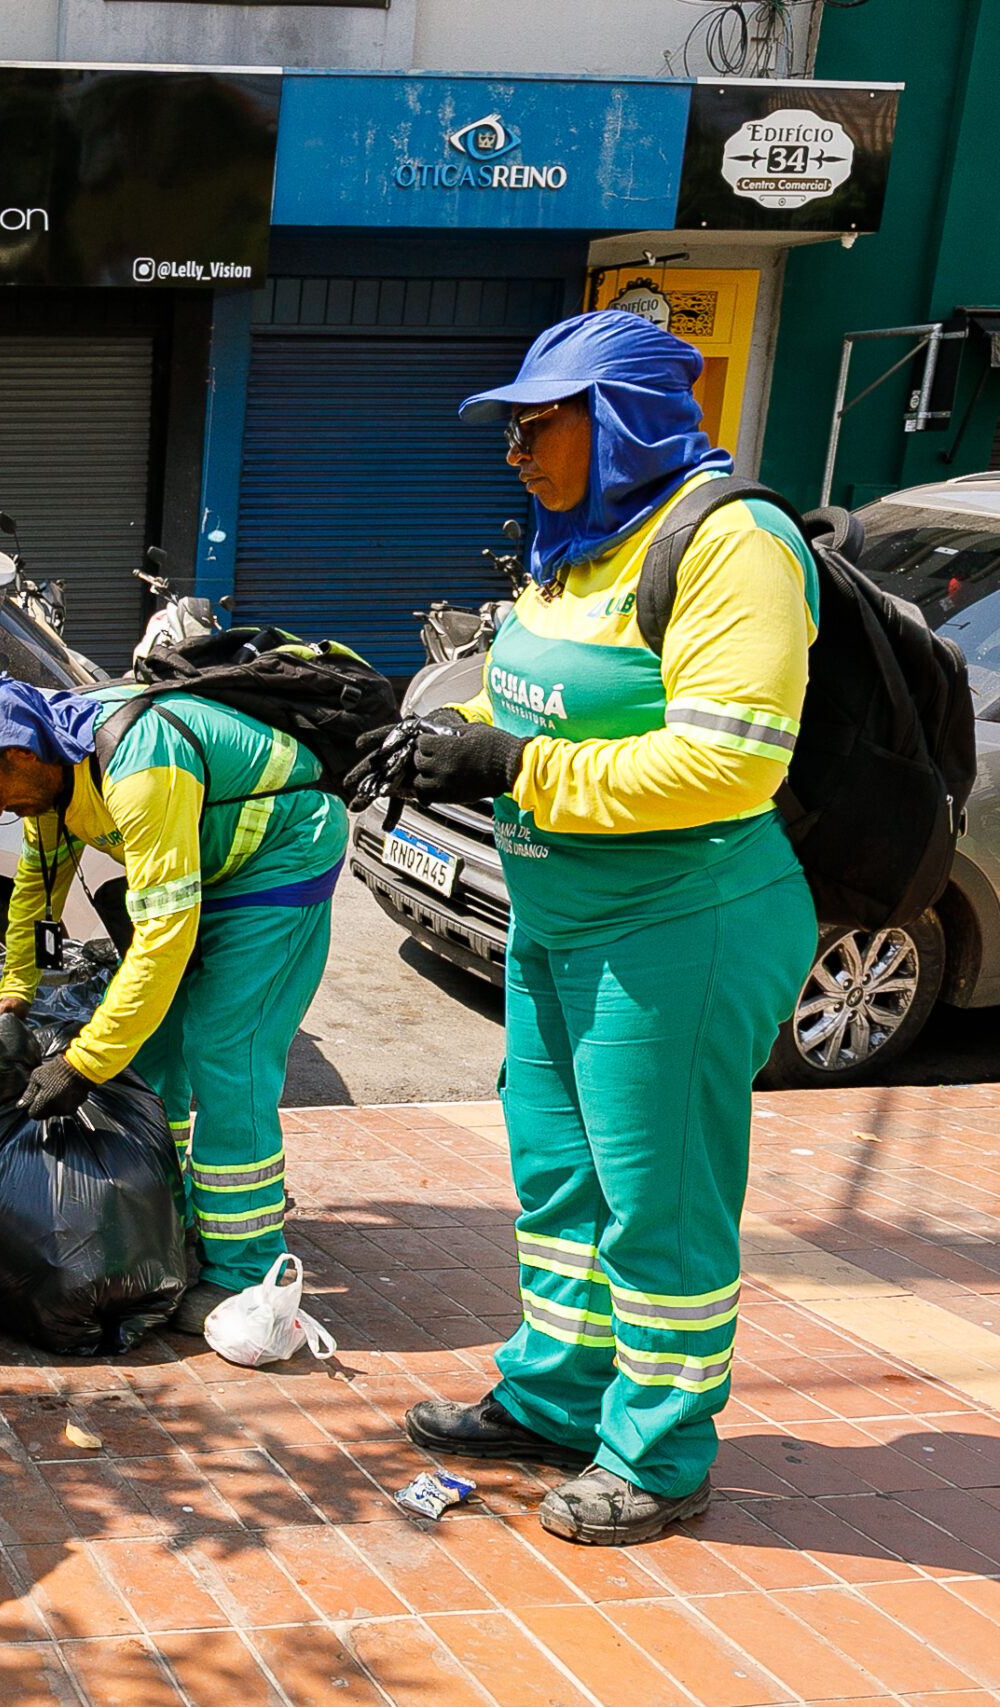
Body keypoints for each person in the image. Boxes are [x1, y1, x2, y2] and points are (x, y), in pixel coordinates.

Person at [358, 310, 817, 1547]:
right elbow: (541, 697)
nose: (513, 452)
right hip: (556, 917)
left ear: (620, 420)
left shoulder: (731, 544)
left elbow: (728, 763)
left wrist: (511, 765)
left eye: (534, 425)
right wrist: (444, 737)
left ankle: (658, 1454)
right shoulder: (575, 548)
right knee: (559, 1179)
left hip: (680, 927)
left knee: (657, 1202)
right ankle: (556, 1400)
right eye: (507, 430)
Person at [0, 671, 346, 1334]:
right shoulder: (53, 778)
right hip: (206, 858)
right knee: (151, 1046)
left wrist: (82, 1064)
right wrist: (15, 992)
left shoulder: (141, 767)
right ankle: (168, 1211)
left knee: (227, 1050)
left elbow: (164, 938)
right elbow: (35, 891)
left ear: (19, 753)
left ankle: (245, 1268)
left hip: (281, 856)